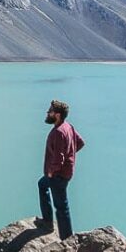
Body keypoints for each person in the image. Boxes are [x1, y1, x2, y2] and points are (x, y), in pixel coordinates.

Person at [37, 99, 84, 239]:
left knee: (62, 207)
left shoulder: (58, 132)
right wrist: (70, 156)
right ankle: (47, 220)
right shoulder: (68, 126)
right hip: (64, 172)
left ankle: (67, 239)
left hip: (58, 175)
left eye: (50, 111)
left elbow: (59, 158)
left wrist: (52, 171)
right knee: (42, 184)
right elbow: (80, 143)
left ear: (57, 115)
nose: (47, 113)